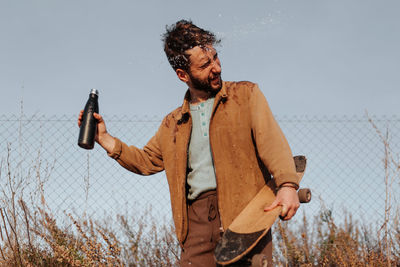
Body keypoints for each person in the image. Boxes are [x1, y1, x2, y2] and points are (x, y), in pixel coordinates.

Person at [78, 20, 300, 266]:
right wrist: (104, 138)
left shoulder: (246, 95)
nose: (216, 67)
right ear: (183, 75)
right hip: (196, 227)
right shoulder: (173, 123)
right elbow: (146, 161)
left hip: (247, 219)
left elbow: (272, 142)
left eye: (215, 58)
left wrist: (287, 185)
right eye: (205, 65)